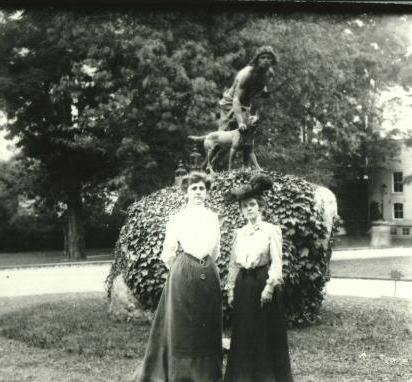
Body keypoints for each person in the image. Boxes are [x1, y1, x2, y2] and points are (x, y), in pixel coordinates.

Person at [132, 171, 223, 382]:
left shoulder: (213, 217)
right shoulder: (177, 218)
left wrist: (206, 267)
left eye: (202, 188)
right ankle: (182, 373)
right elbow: (168, 252)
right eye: (194, 189)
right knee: (183, 322)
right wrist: (182, 270)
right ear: (186, 193)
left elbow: (216, 249)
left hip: (208, 271)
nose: (198, 192)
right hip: (183, 272)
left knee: (207, 320)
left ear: (207, 192)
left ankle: (208, 373)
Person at [224, 174, 294, 382]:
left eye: (252, 204)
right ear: (241, 210)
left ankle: (265, 375)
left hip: (263, 282)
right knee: (244, 330)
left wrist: (270, 287)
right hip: (243, 284)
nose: (249, 209)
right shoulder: (239, 233)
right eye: (245, 206)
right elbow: (234, 263)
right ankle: (243, 375)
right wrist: (230, 289)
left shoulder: (271, 230)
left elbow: (276, 261)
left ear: (260, 206)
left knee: (263, 331)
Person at [218, 45, 277, 133]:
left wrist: (263, 91)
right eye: (263, 57)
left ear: (273, 60)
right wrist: (241, 123)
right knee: (225, 135)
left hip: (246, 103)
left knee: (246, 134)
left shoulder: (270, 74)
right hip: (230, 102)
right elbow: (236, 99)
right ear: (257, 60)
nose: (266, 60)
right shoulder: (246, 75)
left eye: (269, 58)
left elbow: (262, 84)